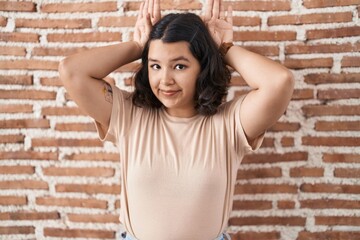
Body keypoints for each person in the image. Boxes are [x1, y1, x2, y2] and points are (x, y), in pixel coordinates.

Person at [58, 0, 294, 239]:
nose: (165, 79)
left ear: (202, 68)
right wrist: (139, 45)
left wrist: (222, 48)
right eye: (155, 66)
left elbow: (279, 82)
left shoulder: (229, 123)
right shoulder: (128, 115)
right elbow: (72, 71)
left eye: (179, 66)